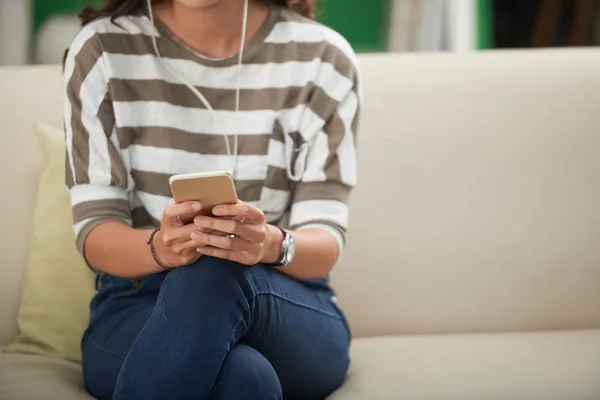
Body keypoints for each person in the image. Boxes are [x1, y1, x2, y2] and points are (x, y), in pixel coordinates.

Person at [63, 0, 360, 398]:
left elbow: (324, 243)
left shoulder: (323, 58)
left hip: (283, 305)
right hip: (138, 305)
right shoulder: (102, 51)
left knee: (217, 267)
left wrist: (269, 243)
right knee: (245, 378)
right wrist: (162, 248)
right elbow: (95, 233)